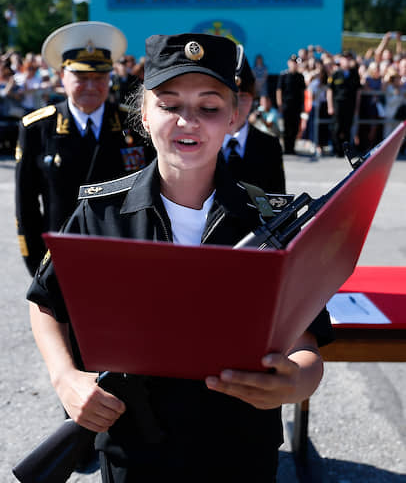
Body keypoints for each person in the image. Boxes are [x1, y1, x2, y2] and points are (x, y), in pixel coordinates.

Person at [26, 32, 333, 482]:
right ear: (145, 116)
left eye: (209, 107)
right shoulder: (101, 212)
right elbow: (44, 300)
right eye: (169, 105)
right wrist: (65, 377)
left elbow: (306, 340)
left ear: (234, 116)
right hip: (134, 451)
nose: (189, 121)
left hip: (239, 448)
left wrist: (299, 380)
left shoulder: (271, 221)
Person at [15, 21, 155, 276]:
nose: (91, 86)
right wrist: (38, 268)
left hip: (122, 259)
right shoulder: (37, 128)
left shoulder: (135, 124)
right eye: (81, 77)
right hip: (60, 261)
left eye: (100, 77)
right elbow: (26, 208)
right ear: (61, 76)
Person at [222, 47, 285, 193]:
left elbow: (279, 202)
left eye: (243, 97)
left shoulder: (269, 146)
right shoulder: (202, 142)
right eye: (231, 97)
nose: (236, 105)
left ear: (252, 99)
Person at [326, 51, 361, 156]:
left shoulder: (354, 73)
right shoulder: (336, 74)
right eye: (345, 58)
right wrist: (330, 106)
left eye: (349, 59)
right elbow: (330, 91)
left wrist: (357, 107)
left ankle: (345, 150)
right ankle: (337, 149)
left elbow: (358, 92)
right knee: (337, 127)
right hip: (338, 104)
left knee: (347, 127)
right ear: (340, 60)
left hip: (350, 104)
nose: (347, 61)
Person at [276, 54, 306, 154]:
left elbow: (302, 92)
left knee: (295, 126)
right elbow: (279, 90)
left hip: (296, 106)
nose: (294, 64)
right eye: (292, 62)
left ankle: (292, 147)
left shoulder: (300, 76)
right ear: (289, 63)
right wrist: (279, 104)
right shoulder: (284, 75)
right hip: (286, 105)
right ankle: (286, 148)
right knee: (287, 127)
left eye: (295, 63)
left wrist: (303, 105)